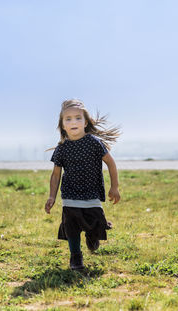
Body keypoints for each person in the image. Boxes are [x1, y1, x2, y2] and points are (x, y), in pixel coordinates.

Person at [45, 99, 120, 270]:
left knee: (95, 224)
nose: (73, 122)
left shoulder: (93, 142)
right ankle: (75, 258)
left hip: (92, 193)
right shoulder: (62, 148)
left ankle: (92, 237)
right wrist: (51, 196)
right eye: (68, 119)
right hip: (70, 195)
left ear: (85, 122)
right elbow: (56, 175)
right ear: (62, 125)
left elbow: (111, 163)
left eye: (78, 118)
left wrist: (114, 187)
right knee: (71, 227)